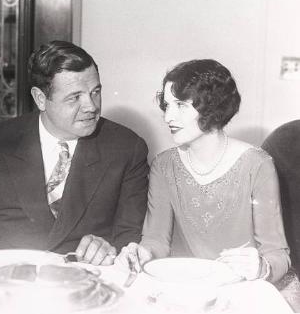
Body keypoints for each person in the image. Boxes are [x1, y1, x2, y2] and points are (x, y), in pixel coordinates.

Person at [0, 40, 149, 265]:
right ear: (41, 99)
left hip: (85, 281)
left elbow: (130, 237)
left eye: (95, 92)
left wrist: (111, 249)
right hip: (10, 279)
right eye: (74, 97)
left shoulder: (127, 147)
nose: (91, 106)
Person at [117, 59, 290, 283]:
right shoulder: (164, 165)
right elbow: (156, 240)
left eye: (180, 105)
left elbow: (278, 254)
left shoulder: (257, 165)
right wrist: (143, 253)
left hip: (240, 289)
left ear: (212, 105)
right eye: (167, 105)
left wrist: (261, 267)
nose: (168, 117)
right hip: (182, 286)